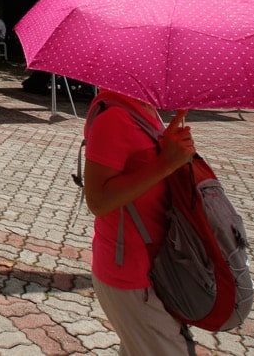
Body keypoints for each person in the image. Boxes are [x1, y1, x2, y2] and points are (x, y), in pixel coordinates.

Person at [83, 91, 198, 354]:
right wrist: (166, 163)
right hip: (131, 273)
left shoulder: (141, 108)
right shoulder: (114, 117)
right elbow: (98, 201)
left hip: (156, 266)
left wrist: (175, 154)